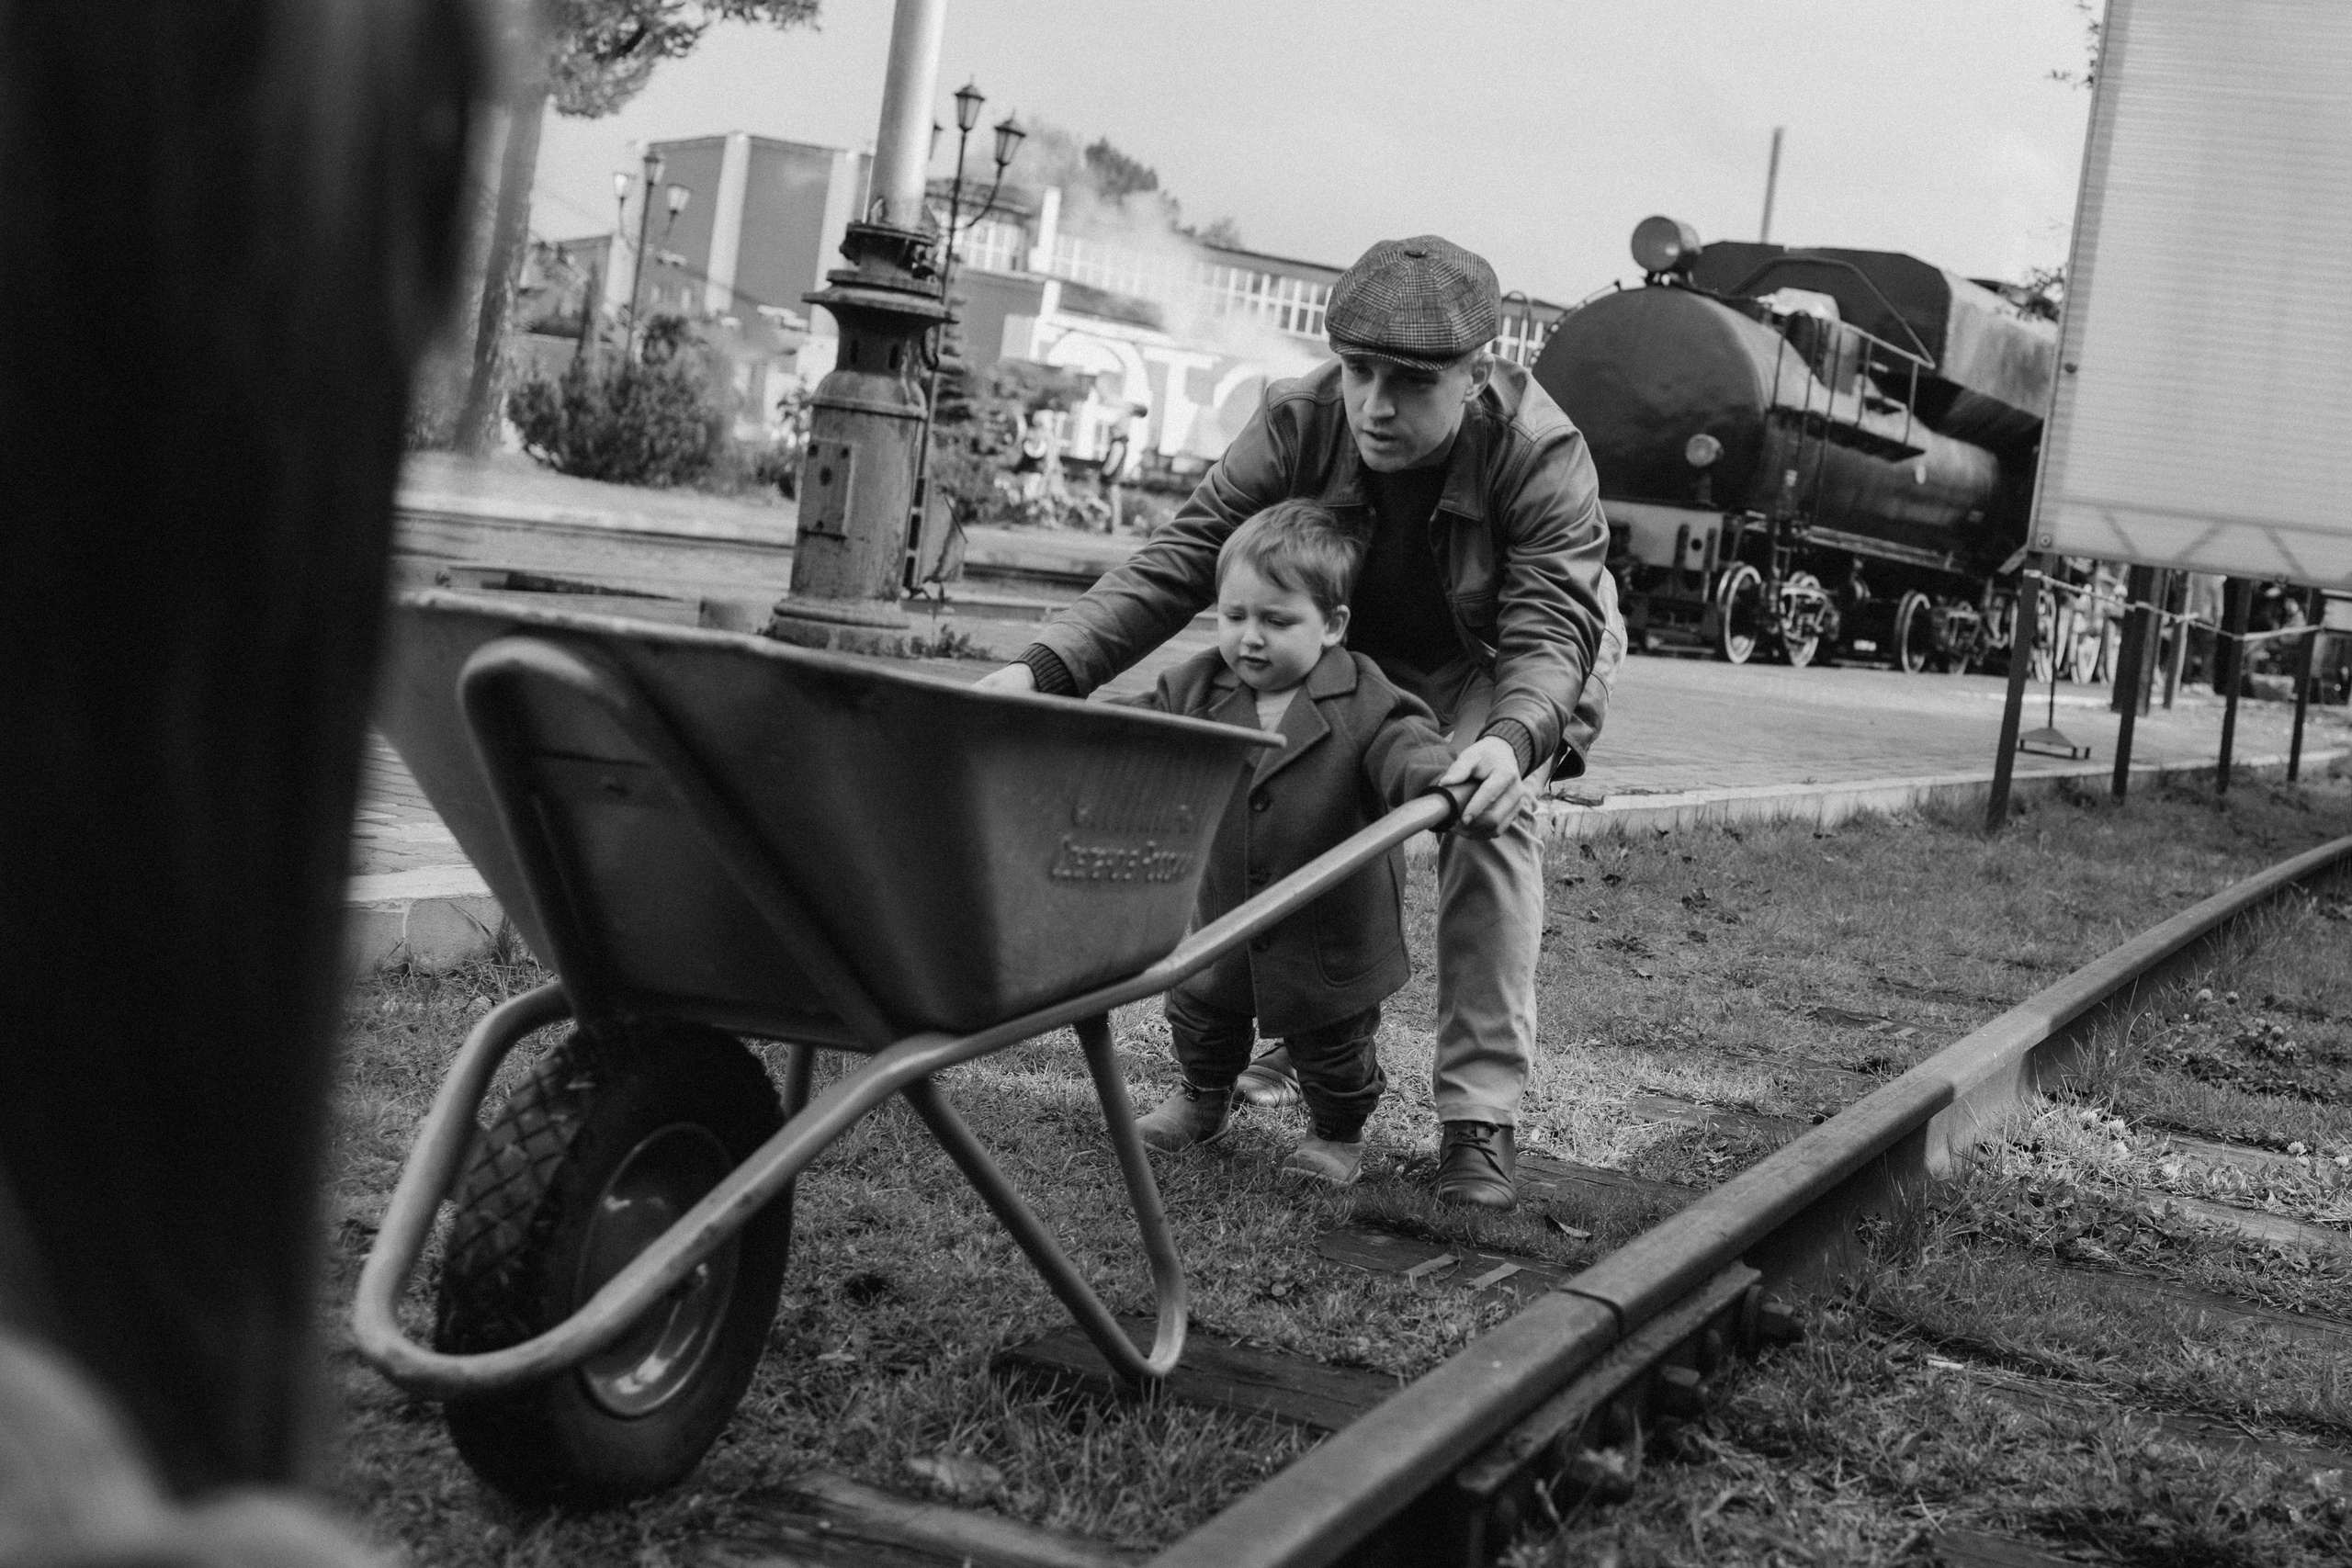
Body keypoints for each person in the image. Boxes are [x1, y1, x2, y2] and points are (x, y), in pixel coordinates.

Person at [978, 234, 1624, 1209]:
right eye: (1358, 372)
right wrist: (1041, 673)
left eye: (1410, 383)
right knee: (1278, 801)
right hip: (1341, 645)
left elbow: (1547, 626)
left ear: (1477, 372)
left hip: (1495, 658)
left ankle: (1477, 1117)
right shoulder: (1294, 419)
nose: (1374, 405)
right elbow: (1183, 558)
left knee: (1490, 823)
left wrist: (1515, 738)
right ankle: (1289, 1038)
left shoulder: (1541, 451)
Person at [1127, 500, 1464, 1187]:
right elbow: (1136, 728)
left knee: (1334, 1043)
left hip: (1329, 927)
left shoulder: (1365, 696)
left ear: (1333, 625)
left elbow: (1410, 744)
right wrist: (1074, 733)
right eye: (1234, 616)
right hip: (1222, 913)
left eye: (1277, 621)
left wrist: (1435, 782)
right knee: (1200, 1014)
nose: (1250, 638)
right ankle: (1203, 1098)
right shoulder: (1196, 686)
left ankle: (1337, 1129)